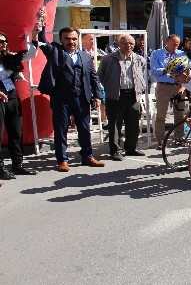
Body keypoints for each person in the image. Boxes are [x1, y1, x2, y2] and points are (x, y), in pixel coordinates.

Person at [36, 27, 104, 171]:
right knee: (61, 130)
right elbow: (42, 41)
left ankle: (87, 156)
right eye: (67, 39)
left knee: (85, 129)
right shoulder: (55, 52)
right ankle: (62, 160)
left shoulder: (85, 56)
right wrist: (41, 26)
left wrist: (97, 95)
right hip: (61, 100)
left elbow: (94, 77)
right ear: (61, 40)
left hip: (82, 98)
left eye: (73, 39)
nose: (71, 42)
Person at [98, 34, 147, 161]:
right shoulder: (108, 59)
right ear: (119, 44)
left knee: (133, 123)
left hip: (133, 94)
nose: (128, 46)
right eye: (125, 43)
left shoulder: (139, 59)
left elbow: (143, 75)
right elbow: (100, 76)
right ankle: (115, 151)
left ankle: (131, 148)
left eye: (131, 43)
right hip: (115, 95)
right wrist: (110, 87)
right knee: (115, 124)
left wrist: (140, 89)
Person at [0, 31, 37, 179]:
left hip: (12, 97)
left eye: (4, 41)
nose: (2, 44)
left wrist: (35, 37)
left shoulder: (9, 57)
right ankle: (0, 168)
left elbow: (29, 55)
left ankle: (17, 165)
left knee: (16, 132)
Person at [150, 34, 188, 147]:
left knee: (180, 114)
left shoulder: (181, 54)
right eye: (174, 44)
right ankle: (160, 140)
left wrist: (183, 85)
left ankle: (179, 138)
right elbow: (154, 71)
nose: (176, 46)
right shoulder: (157, 53)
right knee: (161, 114)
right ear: (167, 42)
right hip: (163, 87)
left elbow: (187, 70)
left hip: (178, 86)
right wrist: (170, 68)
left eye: (178, 44)